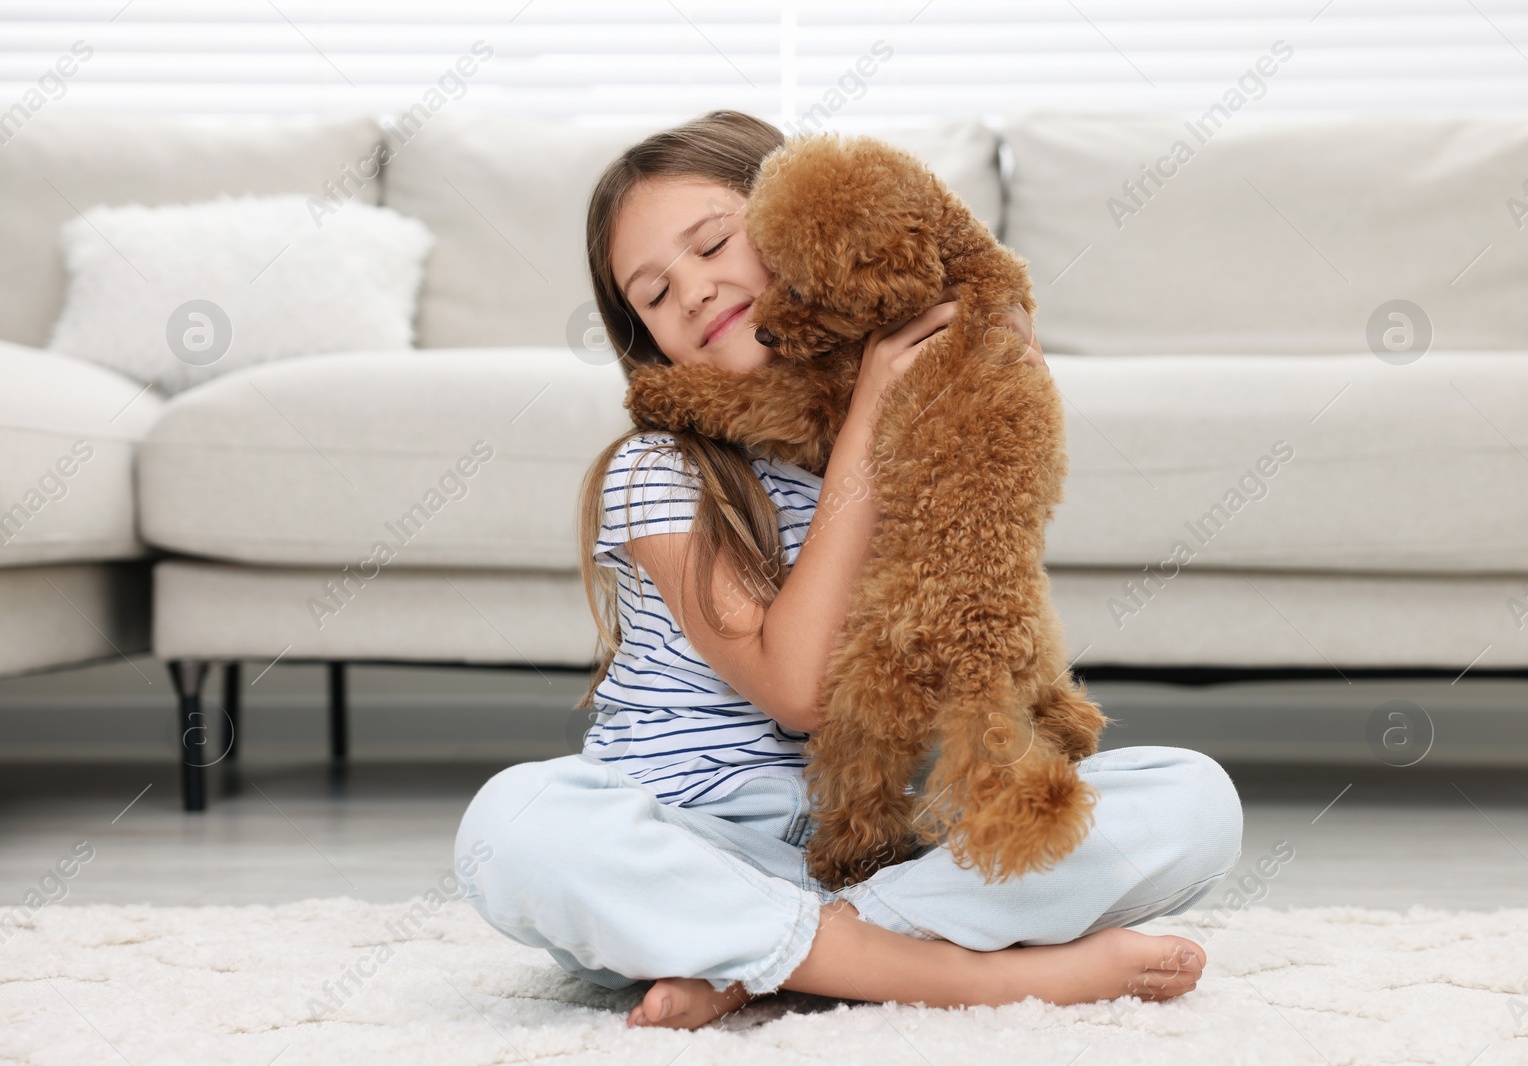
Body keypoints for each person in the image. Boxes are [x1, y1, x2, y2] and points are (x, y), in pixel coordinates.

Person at [454, 109, 1244, 1031]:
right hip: (694, 841)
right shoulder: (659, 473)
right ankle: (959, 975)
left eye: (715, 244)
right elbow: (798, 691)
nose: (697, 291)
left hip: (892, 848)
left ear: (804, 227)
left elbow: (977, 613)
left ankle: (771, 957)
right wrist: (868, 428)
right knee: (512, 826)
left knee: (1194, 799)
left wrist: (983, 414)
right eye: (655, 295)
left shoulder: (929, 425)